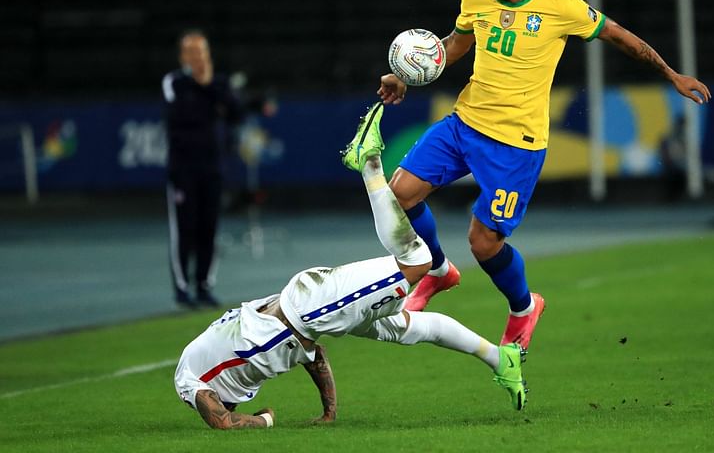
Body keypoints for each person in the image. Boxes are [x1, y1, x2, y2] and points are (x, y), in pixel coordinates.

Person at [378, 0, 711, 350]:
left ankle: (523, 307)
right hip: (464, 123)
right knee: (399, 196)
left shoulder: (561, 7)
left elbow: (617, 35)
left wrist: (671, 75)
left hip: (515, 144)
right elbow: (455, 46)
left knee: (483, 242)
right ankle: (439, 271)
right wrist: (408, 74)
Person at [174, 103, 528, 430]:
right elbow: (312, 355)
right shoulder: (213, 366)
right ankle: (501, 360)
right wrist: (329, 410)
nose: (234, 406)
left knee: (416, 262)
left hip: (310, 308)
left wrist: (264, 420)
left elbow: (219, 418)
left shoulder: (190, 383)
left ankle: (369, 161)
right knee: (412, 329)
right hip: (311, 319)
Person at [163, 30, 270, 308]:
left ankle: (204, 284)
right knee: (184, 229)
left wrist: (211, 89)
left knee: (208, 228)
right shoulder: (174, 82)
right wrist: (209, 94)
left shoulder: (219, 83)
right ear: (183, 56)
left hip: (212, 166)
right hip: (182, 168)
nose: (197, 58)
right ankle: (182, 287)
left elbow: (236, 113)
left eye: (202, 52)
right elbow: (179, 114)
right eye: (192, 52)